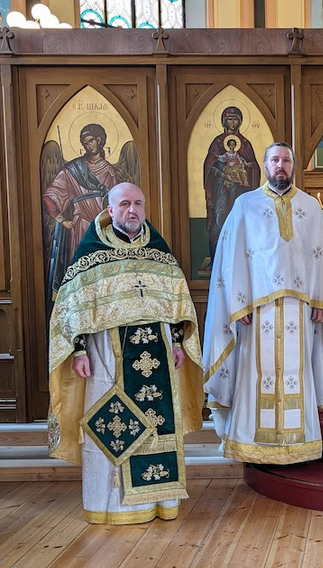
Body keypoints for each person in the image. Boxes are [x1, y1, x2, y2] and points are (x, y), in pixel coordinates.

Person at [47, 182, 203, 524]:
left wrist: (178, 342)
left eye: (138, 204)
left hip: (159, 353)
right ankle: (111, 506)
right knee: (111, 420)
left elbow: (176, 304)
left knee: (158, 424)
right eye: (124, 204)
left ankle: (160, 501)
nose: (132, 210)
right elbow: (72, 308)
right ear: (110, 210)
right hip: (107, 354)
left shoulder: (159, 252)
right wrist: (78, 351)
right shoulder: (91, 253)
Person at [203, 142, 323, 464]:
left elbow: (321, 256)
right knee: (256, 372)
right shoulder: (245, 205)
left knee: (297, 370)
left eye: (286, 161)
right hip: (256, 311)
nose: (281, 166)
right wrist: (237, 304)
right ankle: (252, 445)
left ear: (293, 166)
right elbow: (230, 258)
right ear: (265, 166)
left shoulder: (310, 207)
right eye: (275, 160)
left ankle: (301, 445)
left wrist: (322, 300)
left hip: (301, 310)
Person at [42, 123, 120, 299]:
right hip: (80, 226)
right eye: (85, 143)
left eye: (91, 141)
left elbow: (116, 201)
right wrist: (60, 218)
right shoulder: (73, 169)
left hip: (102, 227)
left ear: (99, 140)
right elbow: (51, 195)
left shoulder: (109, 171)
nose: (88, 145)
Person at [203, 106, 261, 263]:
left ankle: (243, 261)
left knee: (241, 223)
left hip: (240, 190)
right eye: (230, 119)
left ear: (240, 122)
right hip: (221, 191)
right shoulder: (217, 143)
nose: (233, 122)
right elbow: (209, 164)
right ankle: (217, 260)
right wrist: (222, 170)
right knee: (219, 221)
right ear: (224, 121)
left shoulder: (245, 144)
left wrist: (247, 167)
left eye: (235, 119)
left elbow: (254, 166)